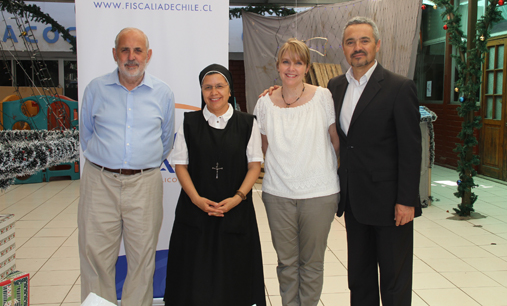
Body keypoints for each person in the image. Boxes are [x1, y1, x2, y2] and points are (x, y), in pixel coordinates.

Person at [327, 16, 422, 306]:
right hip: (354, 202)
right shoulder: (334, 87)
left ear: (377, 45)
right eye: (350, 42)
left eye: (364, 40)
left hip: (391, 204)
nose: (358, 47)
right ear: (343, 48)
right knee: (359, 277)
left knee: (394, 280)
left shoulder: (399, 87)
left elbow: (411, 149)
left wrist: (406, 200)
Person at [79, 27, 175, 306]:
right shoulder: (95, 89)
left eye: (137, 50)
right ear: (114, 54)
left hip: (144, 183)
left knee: (143, 259)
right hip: (99, 182)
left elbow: (165, 139)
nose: (131, 57)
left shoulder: (163, 93)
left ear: (148, 55)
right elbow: (86, 135)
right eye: (125, 50)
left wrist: (140, 164)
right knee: (95, 258)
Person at [164, 64, 266, 306]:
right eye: (207, 87)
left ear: (230, 90)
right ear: (201, 91)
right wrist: (197, 200)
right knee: (195, 273)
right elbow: (180, 165)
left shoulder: (247, 123)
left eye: (219, 86)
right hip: (195, 211)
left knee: (234, 272)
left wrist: (238, 197)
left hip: (236, 209)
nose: (213, 92)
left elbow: (254, 166)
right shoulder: (189, 123)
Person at [254, 39, 340, 306]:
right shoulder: (265, 103)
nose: (291, 68)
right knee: (286, 263)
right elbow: (262, 148)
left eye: (298, 62)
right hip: (278, 195)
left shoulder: (323, 97)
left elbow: (336, 142)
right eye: (286, 61)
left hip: (320, 193)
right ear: (278, 66)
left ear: (307, 67)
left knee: (312, 263)